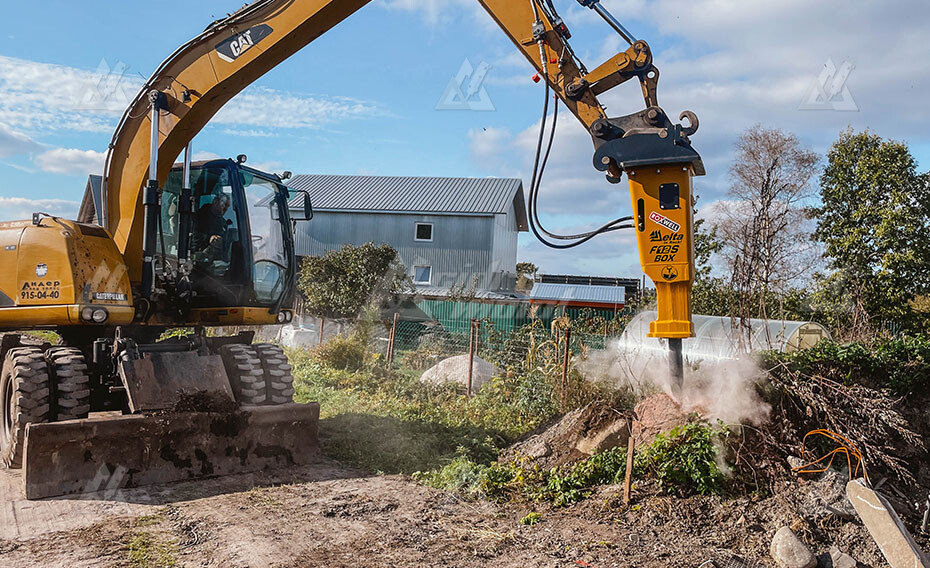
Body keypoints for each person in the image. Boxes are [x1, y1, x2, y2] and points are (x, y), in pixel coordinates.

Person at [192, 193, 231, 261]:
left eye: (227, 206)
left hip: (217, 259)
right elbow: (193, 237)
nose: (225, 208)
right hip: (198, 259)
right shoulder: (200, 216)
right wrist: (210, 238)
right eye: (224, 204)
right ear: (215, 201)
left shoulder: (222, 222)